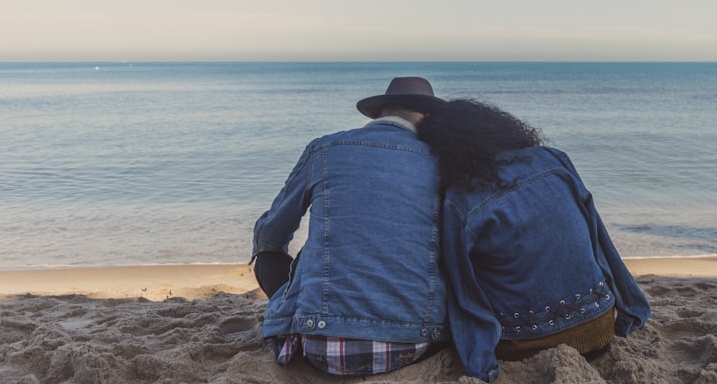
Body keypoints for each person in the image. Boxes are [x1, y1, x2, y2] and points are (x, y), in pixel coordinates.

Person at [417, 99, 651, 382]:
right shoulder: (553, 159)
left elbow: (464, 293)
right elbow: (599, 240)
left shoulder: (459, 201)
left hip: (528, 343)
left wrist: (480, 367)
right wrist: (630, 309)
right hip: (600, 326)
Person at [251, 77, 451, 376]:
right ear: (428, 119)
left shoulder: (326, 149)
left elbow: (271, 235)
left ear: (381, 113)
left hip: (320, 347)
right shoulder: (443, 162)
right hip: (416, 343)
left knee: (271, 254)